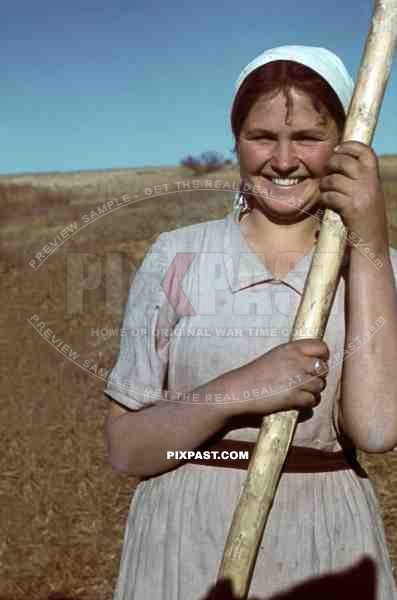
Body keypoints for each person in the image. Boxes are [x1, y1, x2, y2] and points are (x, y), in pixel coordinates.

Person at [104, 45, 397, 599]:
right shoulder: (177, 257)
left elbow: (377, 430)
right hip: (188, 543)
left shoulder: (374, 268)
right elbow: (127, 448)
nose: (283, 161)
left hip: (321, 545)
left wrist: (372, 238)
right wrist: (240, 390)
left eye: (308, 138)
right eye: (262, 137)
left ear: (344, 143)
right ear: (236, 140)